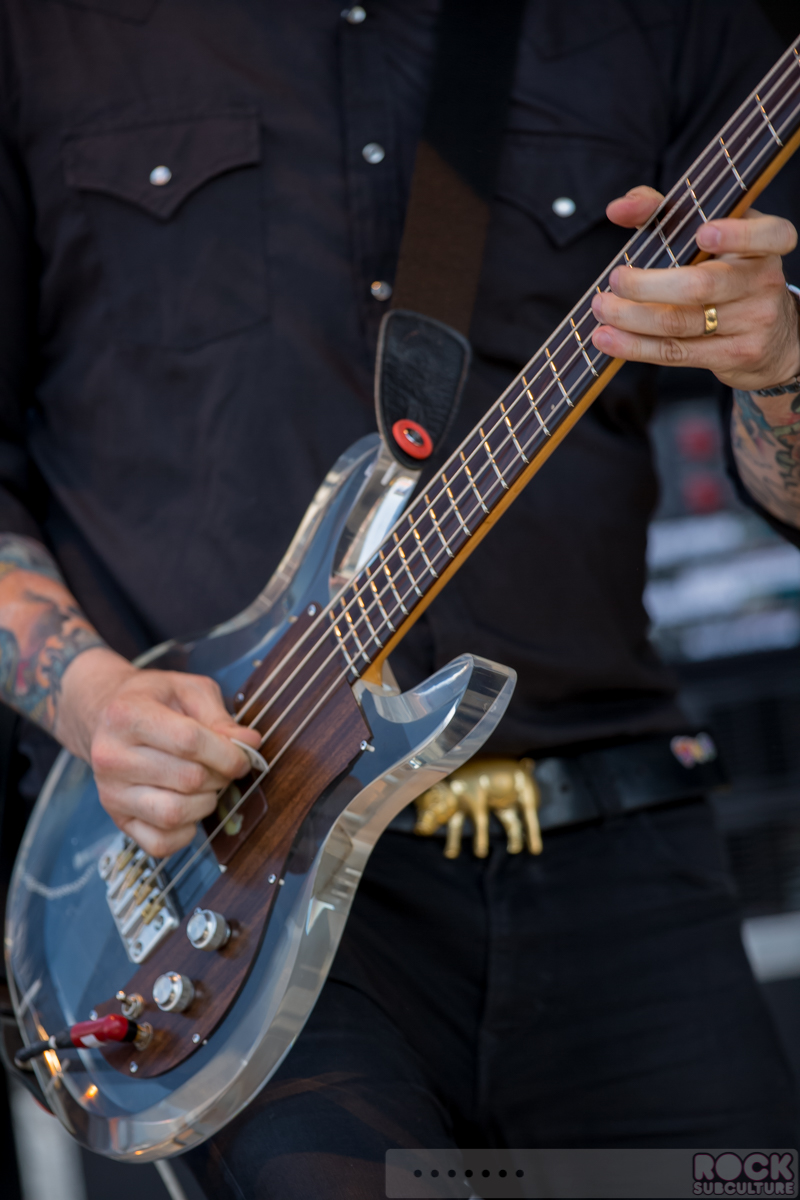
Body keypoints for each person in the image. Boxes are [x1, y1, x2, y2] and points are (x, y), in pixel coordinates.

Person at [1, 0, 800, 1195]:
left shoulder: (668, 22)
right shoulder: (48, 35)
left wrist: (778, 367)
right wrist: (94, 699)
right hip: (239, 862)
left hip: (613, 845)